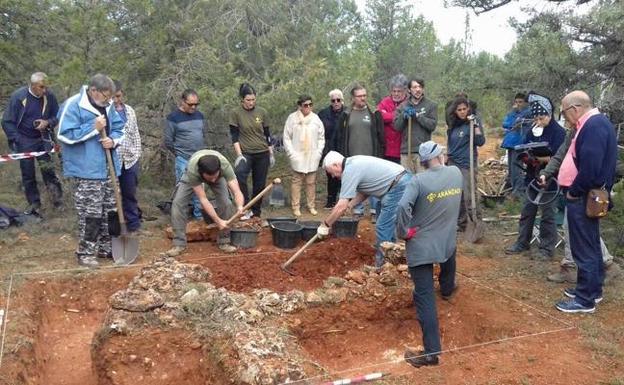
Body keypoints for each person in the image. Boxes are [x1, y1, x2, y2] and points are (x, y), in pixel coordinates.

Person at [395, 140, 462, 368]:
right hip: (447, 240)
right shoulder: (455, 173)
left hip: (422, 245)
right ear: (441, 155)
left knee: (424, 297)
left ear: (422, 162)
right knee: (448, 257)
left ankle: (431, 354)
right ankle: (447, 287)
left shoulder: (418, 180)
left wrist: (403, 232)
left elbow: (403, 207)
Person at [553, 91, 617, 313]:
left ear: (574, 109)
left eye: (564, 113)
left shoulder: (593, 126)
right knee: (589, 244)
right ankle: (591, 289)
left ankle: (585, 299)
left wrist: (574, 191)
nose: (565, 118)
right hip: (589, 194)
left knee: (584, 248)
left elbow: (590, 168)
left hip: (584, 196)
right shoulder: (596, 124)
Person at [57, 74, 125, 267]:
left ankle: (107, 247)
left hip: (109, 168)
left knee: (111, 211)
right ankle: (85, 252)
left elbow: (120, 128)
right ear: (94, 90)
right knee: (91, 213)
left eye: (110, 97)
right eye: (106, 96)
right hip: (86, 170)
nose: (108, 100)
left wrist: (113, 140)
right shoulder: (73, 105)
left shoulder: (109, 106)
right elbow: (65, 135)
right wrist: (93, 128)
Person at [540, 121, 620, 284]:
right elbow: (561, 154)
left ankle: (602, 267)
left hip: (585, 189)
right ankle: (576, 266)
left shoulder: (595, 130)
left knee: (581, 228)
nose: (567, 120)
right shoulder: (574, 131)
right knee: (572, 226)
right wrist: (546, 173)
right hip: (572, 187)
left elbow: (596, 163)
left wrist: (580, 189)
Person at [318, 151, 411, 268]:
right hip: (399, 182)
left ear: (336, 165)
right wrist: (350, 205)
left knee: (383, 226)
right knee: (384, 220)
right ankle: (391, 256)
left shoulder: (350, 170)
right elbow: (365, 192)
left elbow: (340, 205)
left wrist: (326, 224)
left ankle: (381, 266)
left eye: (331, 172)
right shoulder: (353, 164)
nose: (333, 176)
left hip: (399, 185)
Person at [505, 93, 565, 259]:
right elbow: (524, 147)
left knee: (548, 214)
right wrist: (525, 156)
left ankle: (546, 249)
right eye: (535, 118)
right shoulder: (533, 130)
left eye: (541, 118)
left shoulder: (558, 132)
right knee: (527, 210)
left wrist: (539, 158)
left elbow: (557, 157)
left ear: (548, 114)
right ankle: (522, 242)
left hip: (551, 180)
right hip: (532, 177)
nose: (538, 122)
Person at [2, 72, 63, 212]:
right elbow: (6, 121)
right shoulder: (19, 97)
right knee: (28, 174)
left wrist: (47, 122)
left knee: (49, 171)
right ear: (32, 85)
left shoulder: (49, 96)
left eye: (46, 87)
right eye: (41, 87)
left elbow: (58, 115)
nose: (44, 90)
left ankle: (57, 201)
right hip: (25, 140)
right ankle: (34, 204)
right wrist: (18, 139)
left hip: (43, 138)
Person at [165, 150, 245, 257]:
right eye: (210, 177)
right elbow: (203, 200)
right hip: (192, 175)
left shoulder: (225, 166)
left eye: (214, 176)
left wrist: (240, 206)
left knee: (226, 203)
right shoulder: (193, 171)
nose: (212, 180)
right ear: (201, 172)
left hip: (218, 173)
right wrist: (218, 221)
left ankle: (224, 241)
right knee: (178, 203)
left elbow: (237, 191)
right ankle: (179, 244)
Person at [333, 85, 384, 217]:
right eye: (359, 96)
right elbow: (339, 136)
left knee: (373, 182)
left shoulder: (374, 113)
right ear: (353, 98)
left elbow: (381, 136)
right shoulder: (346, 115)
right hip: (352, 157)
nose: (363, 98)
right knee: (355, 184)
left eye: (364, 95)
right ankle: (357, 210)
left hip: (372, 157)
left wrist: (380, 155)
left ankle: (374, 211)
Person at [230, 82, 274, 220]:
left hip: (262, 153)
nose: (251, 102)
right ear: (242, 99)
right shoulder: (235, 113)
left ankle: (256, 212)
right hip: (246, 153)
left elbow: (267, 134)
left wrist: (271, 153)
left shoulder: (262, 112)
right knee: (240, 175)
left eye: (253, 99)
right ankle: (245, 207)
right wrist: (239, 155)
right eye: (248, 100)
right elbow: (234, 136)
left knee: (259, 184)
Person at [164, 89, 207, 220]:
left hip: (199, 158)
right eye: (190, 104)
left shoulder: (200, 116)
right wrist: (178, 154)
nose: (193, 107)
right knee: (183, 190)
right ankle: (179, 218)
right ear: (182, 102)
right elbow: (168, 140)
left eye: (196, 104)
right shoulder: (173, 118)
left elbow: (203, 134)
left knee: (200, 188)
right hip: (183, 159)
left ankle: (199, 217)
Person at [446, 97, 486, 231]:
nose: (462, 112)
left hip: (467, 164)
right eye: (459, 110)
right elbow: (451, 143)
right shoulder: (453, 125)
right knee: (456, 194)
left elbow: (480, 141)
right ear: (455, 111)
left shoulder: (473, 123)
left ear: (468, 109)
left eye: (464, 109)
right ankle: (462, 223)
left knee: (470, 195)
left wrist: (475, 125)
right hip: (453, 163)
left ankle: (476, 221)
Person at [283, 94, 325, 217]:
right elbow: (286, 137)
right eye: (305, 105)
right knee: (297, 182)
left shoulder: (316, 119)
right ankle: (295, 206)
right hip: (298, 154)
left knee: (311, 182)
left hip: (312, 154)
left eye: (310, 105)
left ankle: (311, 205)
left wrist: (318, 152)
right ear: (300, 106)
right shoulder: (292, 118)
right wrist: (291, 153)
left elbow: (321, 137)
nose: (308, 107)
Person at [112, 80, 142, 233]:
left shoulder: (129, 110)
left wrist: (136, 154)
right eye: (113, 97)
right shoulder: (105, 112)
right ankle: (115, 228)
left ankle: (133, 225)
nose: (116, 100)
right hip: (112, 161)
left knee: (129, 193)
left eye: (118, 96)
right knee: (112, 197)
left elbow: (135, 133)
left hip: (130, 160)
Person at [393, 77, 438, 174]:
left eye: (420, 87)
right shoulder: (402, 106)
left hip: (424, 153)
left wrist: (418, 116)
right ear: (409, 90)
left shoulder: (431, 105)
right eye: (414, 87)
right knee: (407, 183)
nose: (418, 89)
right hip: (406, 152)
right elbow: (397, 127)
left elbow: (432, 125)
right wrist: (403, 116)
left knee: (423, 182)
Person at [501, 93, 531, 199]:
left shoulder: (528, 113)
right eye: (516, 102)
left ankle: (519, 192)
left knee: (517, 168)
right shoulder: (513, 113)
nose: (518, 104)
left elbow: (517, 123)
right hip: (510, 143)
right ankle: (514, 189)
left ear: (525, 103)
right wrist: (514, 118)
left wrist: (515, 122)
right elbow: (505, 123)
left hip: (519, 143)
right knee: (511, 168)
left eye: (520, 102)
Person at [318, 89, 344, 209]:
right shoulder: (323, 114)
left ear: (342, 100)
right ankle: (330, 200)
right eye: (333, 100)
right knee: (331, 174)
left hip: (343, 147)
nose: (336, 102)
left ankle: (342, 200)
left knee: (344, 174)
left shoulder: (348, 112)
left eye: (338, 100)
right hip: (329, 147)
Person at [377, 74, 408, 164]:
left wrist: (388, 116)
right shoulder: (385, 102)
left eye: (399, 91)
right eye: (394, 91)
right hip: (386, 151)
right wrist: (398, 116)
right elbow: (380, 117)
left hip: (402, 151)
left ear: (405, 91)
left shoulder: (409, 103)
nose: (396, 94)